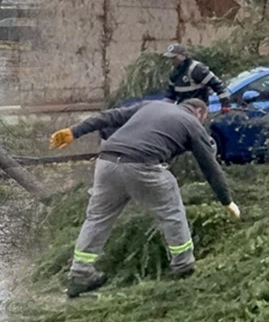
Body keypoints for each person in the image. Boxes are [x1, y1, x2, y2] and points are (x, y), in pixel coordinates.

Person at [49, 98, 241, 298]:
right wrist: (227, 201)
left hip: (107, 162)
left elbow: (109, 116)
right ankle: (183, 264)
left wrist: (74, 132)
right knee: (171, 212)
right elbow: (210, 167)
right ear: (200, 113)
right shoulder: (192, 123)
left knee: (97, 218)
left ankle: (80, 273)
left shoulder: (151, 105)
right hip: (142, 165)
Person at [164, 43, 233, 111]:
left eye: (174, 58)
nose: (172, 61)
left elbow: (217, 85)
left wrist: (225, 104)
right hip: (183, 110)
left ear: (183, 55)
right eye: (170, 58)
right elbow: (170, 94)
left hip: (199, 111)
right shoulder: (175, 72)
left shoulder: (197, 69)